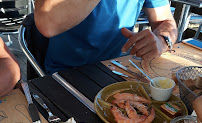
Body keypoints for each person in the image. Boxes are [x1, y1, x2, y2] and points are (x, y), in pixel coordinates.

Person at [34, 0, 177, 74]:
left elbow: (166, 21)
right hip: (66, 73)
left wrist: (162, 40)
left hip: (118, 69)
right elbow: (47, 24)